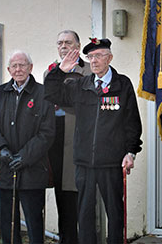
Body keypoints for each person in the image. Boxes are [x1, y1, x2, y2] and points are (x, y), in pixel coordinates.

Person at [45, 38, 143, 244]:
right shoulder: (80, 85)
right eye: (90, 57)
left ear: (110, 58)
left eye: (99, 56)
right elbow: (51, 93)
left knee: (115, 213)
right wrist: (60, 71)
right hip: (84, 163)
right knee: (85, 214)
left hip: (112, 162)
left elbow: (132, 123)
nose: (94, 61)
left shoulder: (122, 84)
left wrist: (131, 152)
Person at [0, 50, 55, 244]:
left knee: (34, 222)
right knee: (8, 223)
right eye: (14, 66)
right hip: (6, 168)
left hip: (32, 169)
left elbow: (47, 132)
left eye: (22, 65)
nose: (18, 69)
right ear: (8, 69)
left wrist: (24, 156)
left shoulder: (43, 94)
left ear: (30, 68)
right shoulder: (1, 92)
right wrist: (1, 149)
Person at [43, 30, 91, 244]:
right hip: (58, 141)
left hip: (83, 138)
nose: (63, 46)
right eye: (60, 42)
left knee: (85, 197)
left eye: (68, 42)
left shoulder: (89, 70)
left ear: (78, 46)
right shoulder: (50, 72)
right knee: (64, 197)